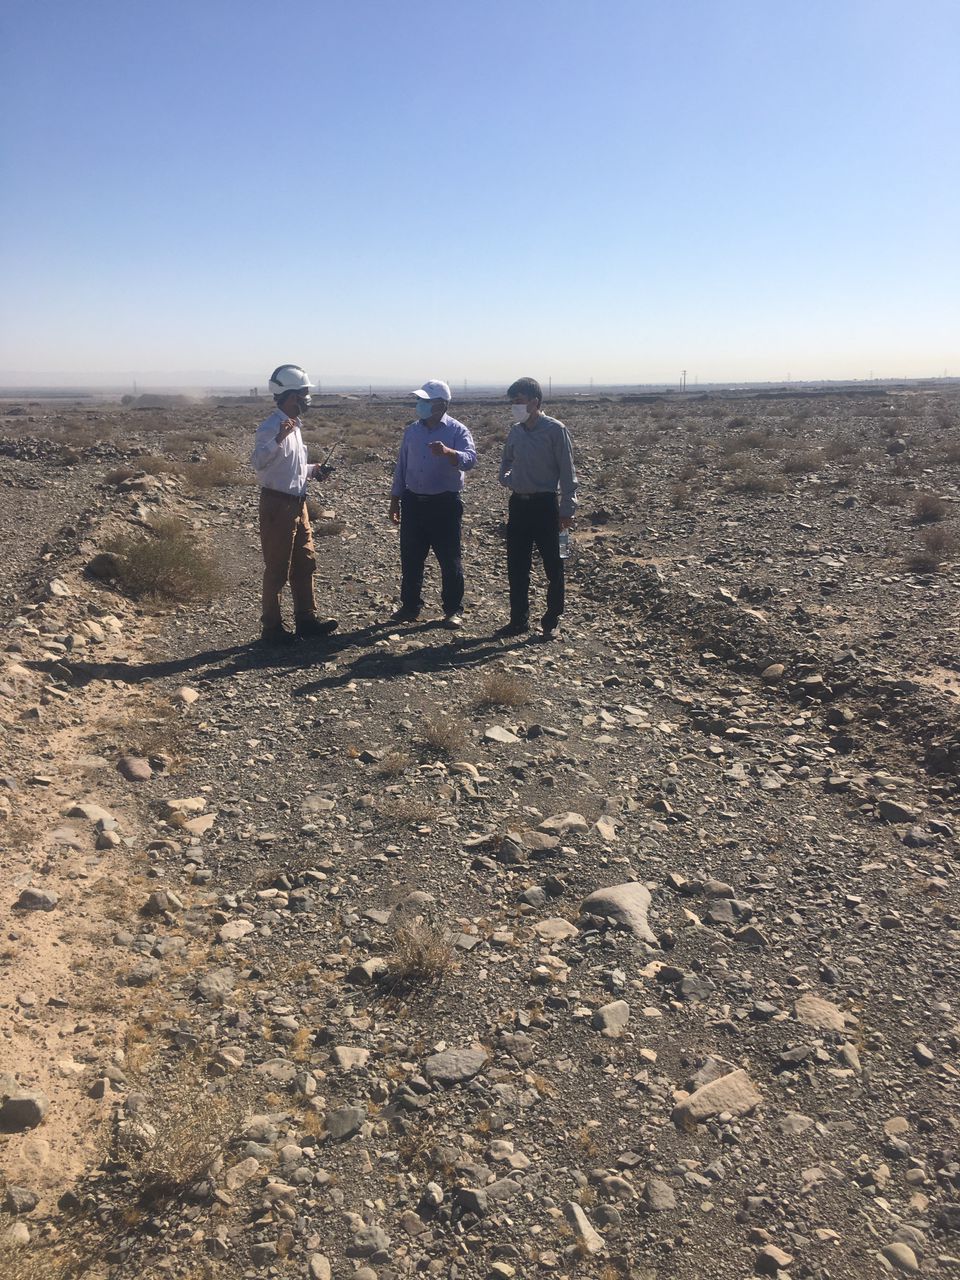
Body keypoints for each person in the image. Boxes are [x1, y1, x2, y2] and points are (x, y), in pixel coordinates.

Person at [250, 363, 338, 646]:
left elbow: (292, 467)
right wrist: (279, 437)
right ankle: (272, 629)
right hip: (277, 505)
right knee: (277, 567)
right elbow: (258, 462)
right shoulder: (272, 427)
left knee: (305, 561)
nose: (307, 399)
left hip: (298, 503)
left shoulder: (295, 427)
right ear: (290, 397)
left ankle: (306, 620)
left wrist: (314, 470)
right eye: (304, 394)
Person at [388, 380, 477, 628]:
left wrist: (449, 453)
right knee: (411, 558)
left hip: (444, 505)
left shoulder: (457, 431)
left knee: (449, 560)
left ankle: (453, 609)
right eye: (420, 400)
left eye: (425, 401)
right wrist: (395, 500)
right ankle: (410, 607)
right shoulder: (412, 431)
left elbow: (470, 460)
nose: (420, 404)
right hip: (413, 502)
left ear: (441, 404)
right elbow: (402, 466)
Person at [498, 376, 578, 639]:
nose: (515, 406)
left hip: (547, 507)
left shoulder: (556, 430)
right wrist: (508, 479)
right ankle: (518, 620)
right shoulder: (515, 431)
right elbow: (506, 461)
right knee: (516, 566)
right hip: (518, 506)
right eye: (512, 402)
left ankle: (552, 620)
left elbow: (567, 473)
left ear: (535, 402)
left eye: (519, 401)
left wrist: (567, 510)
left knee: (555, 565)